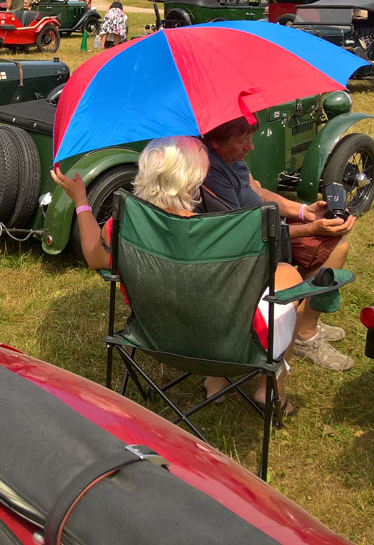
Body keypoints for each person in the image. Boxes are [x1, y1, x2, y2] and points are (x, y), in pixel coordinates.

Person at [52, 136, 301, 411]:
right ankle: (270, 389)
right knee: (289, 276)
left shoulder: (120, 227)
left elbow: (92, 255)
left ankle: (215, 385)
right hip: (231, 346)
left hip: (155, 339)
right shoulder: (218, 234)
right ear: (194, 182)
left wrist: (82, 202)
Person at [202, 116, 356, 371]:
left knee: (337, 244)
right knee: (323, 251)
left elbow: (258, 193)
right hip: (250, 246)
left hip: (268, 228)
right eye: (243, 141)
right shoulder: (211, 174)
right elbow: (241, 230)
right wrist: (309, 228)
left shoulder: (233, 160)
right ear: (216, 142)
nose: (250, 147)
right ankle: (304, 335)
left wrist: (306, 211)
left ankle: (305, 326)